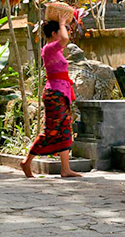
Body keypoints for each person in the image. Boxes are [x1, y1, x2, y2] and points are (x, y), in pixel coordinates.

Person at [20, 18, 82, 178]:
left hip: (62, 94)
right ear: (54, 33)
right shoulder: (49, 49)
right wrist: (62, 22)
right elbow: (65, 39)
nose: (64, 32)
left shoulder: (55, 51)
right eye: (60, 30)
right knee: (51, 130)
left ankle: (65, 169)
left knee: (65, 130)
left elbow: (64, 39)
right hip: (55, 94)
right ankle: (27, 161)